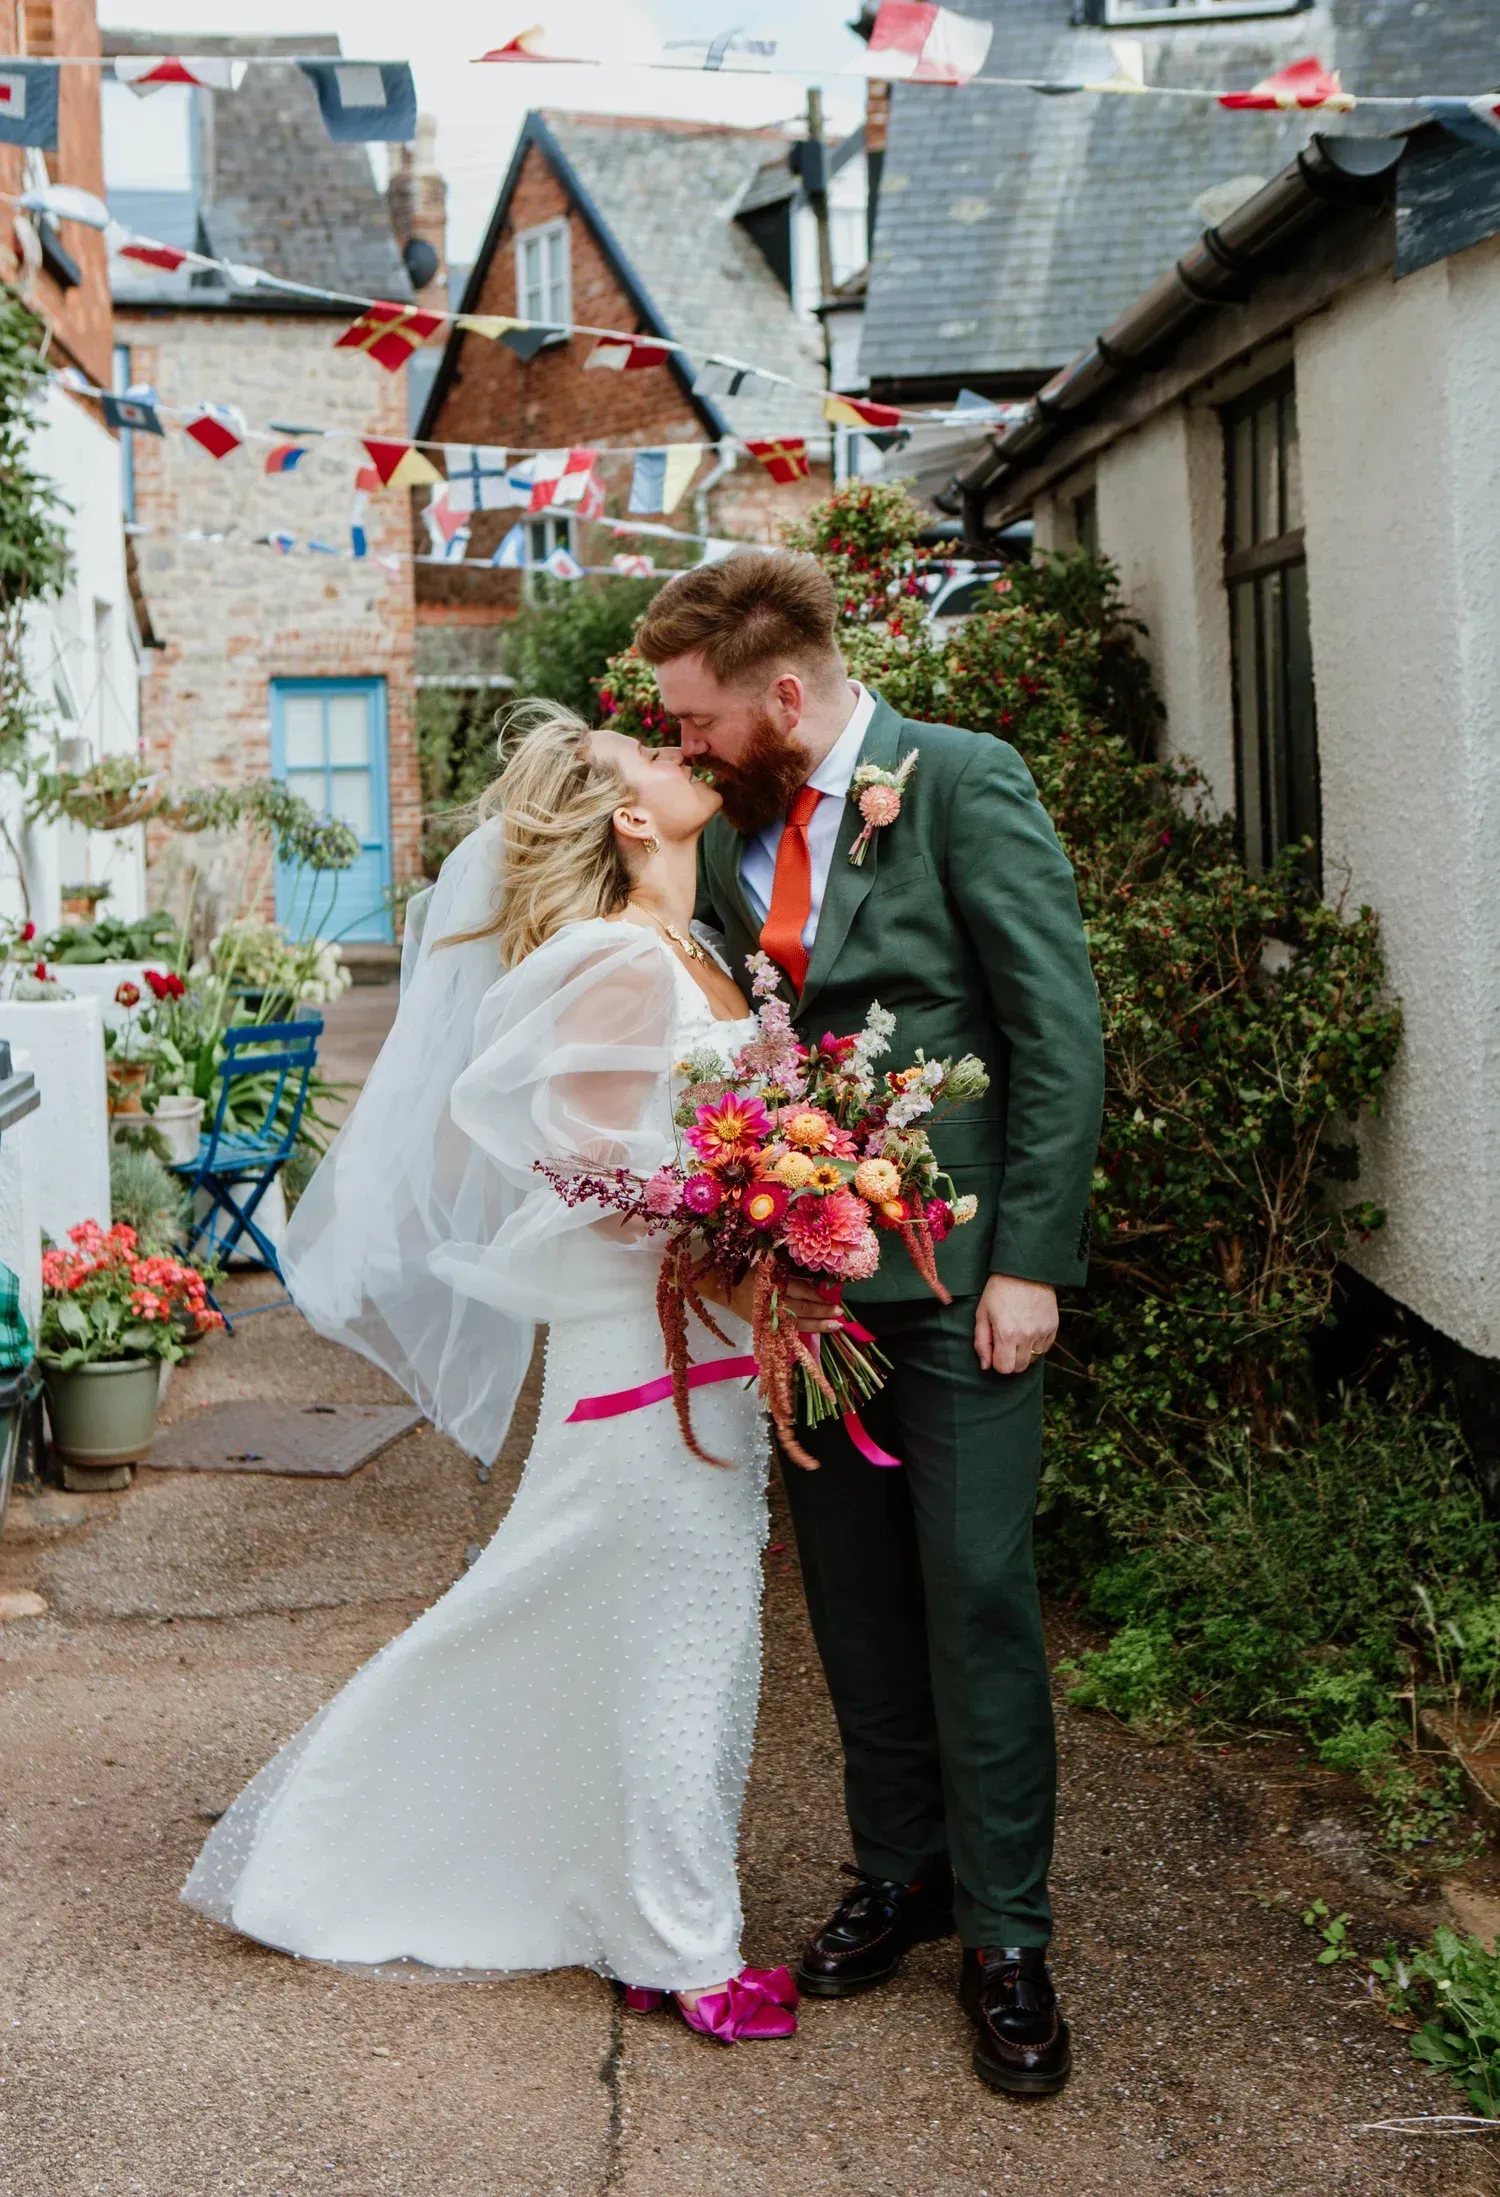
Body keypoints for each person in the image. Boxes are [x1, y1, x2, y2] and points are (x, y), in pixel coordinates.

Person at [180, 701, 840, 2045]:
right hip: (645, 1345)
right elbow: (591, 1172)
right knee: (659, 1630)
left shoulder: (694, 946)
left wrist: (797, 1214)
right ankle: (677, 1944)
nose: (676, 758)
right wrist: (746, 1233)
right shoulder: (620, 961)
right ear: (628, 818)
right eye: (651, 757)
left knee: (662, 1623)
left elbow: (682, 1154)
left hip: (706, 1342)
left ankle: (636, 1902)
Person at [634, 551, 1105, 2096]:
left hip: (965, 1289)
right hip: (806, 1287)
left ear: (784, 693)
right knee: (846, 1600)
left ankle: (1009, 1937)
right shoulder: (737, 826)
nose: (687, 746)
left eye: (698, 719)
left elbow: (1054, 1030)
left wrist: (1029, 1261)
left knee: (972, 1592)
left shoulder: (964, 783)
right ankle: (900, 1875)